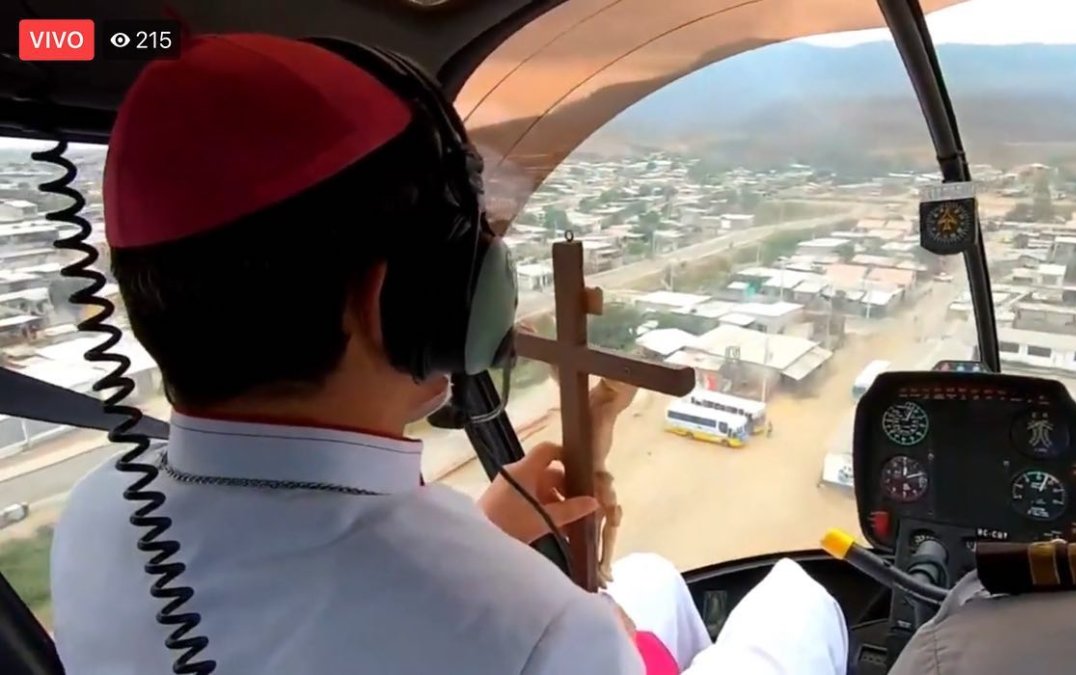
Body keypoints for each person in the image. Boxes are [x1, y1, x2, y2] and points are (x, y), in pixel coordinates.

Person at [48, 33, 847, 675]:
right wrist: (540, 596)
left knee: (654, 580)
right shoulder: (539, 632)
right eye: (463, 254)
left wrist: (482, 530)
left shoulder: (101, 512)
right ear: (389, 300)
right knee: (799, 602)